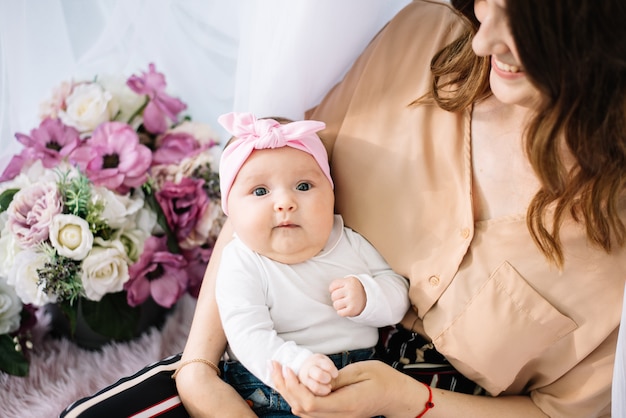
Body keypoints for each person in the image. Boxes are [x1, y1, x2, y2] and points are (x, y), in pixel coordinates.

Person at [60, 0, 626, 417]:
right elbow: (265, 183)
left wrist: (410, 400)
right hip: (264, 362)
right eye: (489, 3)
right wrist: (199, 370)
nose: (484, 39)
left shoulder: (614, 240)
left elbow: (561, 413)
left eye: (524, 25)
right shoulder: (420, 43)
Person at [203, 111, 409, 416]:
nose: (285, 202)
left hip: (362, 377)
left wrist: (369, 295)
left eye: (303, 186)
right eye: (260, 191)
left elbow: (398, 291)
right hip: (274, 385)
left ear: (332, 193)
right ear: (229, 211)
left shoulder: (348, 242)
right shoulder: (242, 260)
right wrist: (299, 364)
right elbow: (248, 336)